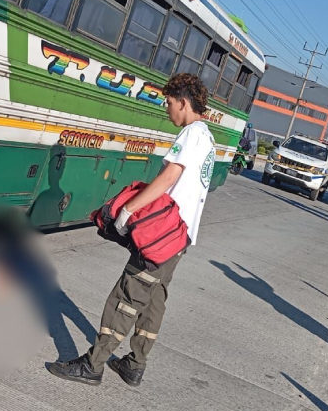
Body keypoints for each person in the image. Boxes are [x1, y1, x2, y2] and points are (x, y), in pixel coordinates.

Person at [46, 73, 215, 387]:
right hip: (181, 236)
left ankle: (93, 365)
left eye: (169, 103)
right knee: (154, 298)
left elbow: (167, 180)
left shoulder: (191, 134)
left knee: (128, 295)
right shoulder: (207, 136)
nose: (167, 110)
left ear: (183, 101)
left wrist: (129, 209)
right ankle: (134, 364)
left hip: (164, 234)